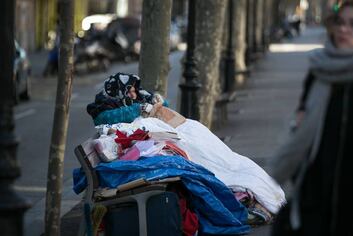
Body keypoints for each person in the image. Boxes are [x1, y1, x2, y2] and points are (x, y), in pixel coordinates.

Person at [271, 0, 353, 235]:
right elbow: (302, 129)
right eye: (340, 22)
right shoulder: (320, 71)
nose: (344, 29)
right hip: (314, 203)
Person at [87, 72, 286, 224]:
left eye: (133, 89)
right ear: (118, 92)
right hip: (173, 139)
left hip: (182, 131)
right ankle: (240, 190)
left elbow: (160, 105)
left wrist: (155, 102)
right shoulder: (105, 110)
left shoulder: (139, 97)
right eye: (129, 91)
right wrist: (141, 109)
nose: (133, 94)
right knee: (212, 163)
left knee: (226, 158)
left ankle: (252, 187)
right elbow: (116, 119)